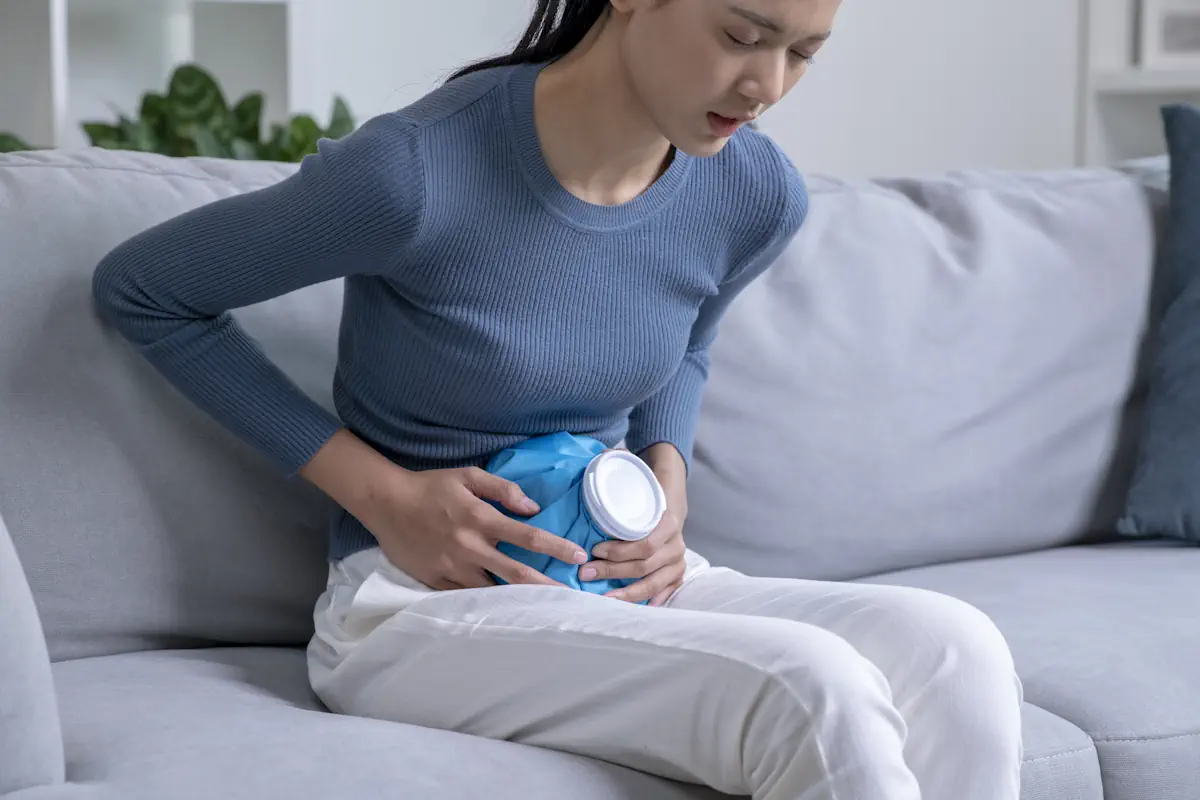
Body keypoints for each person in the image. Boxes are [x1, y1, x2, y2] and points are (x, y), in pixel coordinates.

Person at [91, 1, 1024, 798]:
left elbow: (687, 340)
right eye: (743, 34)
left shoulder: (753, 190)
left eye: (803, 54)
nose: (767, 85)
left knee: (954, 647)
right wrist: (386, 497)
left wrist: (669, 473)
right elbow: (147, 290)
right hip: (417, 608)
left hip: (624, 581)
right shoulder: (413, 173)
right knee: (811, 686)